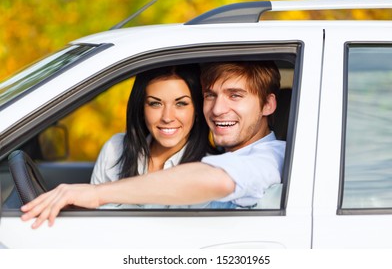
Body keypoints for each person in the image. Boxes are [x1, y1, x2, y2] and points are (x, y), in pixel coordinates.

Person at [21, 61, 286, 229]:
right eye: (210, 96)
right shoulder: (118, 148)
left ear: (268, 105)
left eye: (235, 96)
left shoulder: (274, 156)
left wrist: (98, 193)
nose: (217, 109)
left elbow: (216, 179)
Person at [91, 64, 217, 208]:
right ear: (141, 108)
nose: (167, 117)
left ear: (197, 109)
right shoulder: (115, 149)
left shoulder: (210, 170)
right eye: (155, 104)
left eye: (181, 103)